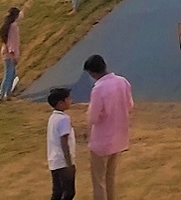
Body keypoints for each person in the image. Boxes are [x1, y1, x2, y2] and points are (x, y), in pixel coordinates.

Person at [84, 54, 134, 200]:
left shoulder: (98, 88)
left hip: (101, 140)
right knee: (110, 179)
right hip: (119, 136)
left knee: (99, 181)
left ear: (93, 72)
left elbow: (92, 117)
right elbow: (130, 105)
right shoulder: (122, 82)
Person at [47, 87, 77, 200]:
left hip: (54, 161)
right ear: (60, 103)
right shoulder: (64, 119)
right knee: (69, 192)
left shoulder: (53, 117)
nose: (71, 101)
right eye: (68, 99)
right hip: (63, 162)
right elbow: (64, 141)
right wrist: (69, 163)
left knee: (57, 192)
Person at [0, 7, 22, 101]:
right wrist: (14, 56)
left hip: (6, 52)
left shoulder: (8, 25)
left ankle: (7, 94)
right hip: (9, 54)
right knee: (8, 74)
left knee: (12, 74)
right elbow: (12, 42)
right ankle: (3, 95)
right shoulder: (14, 27)